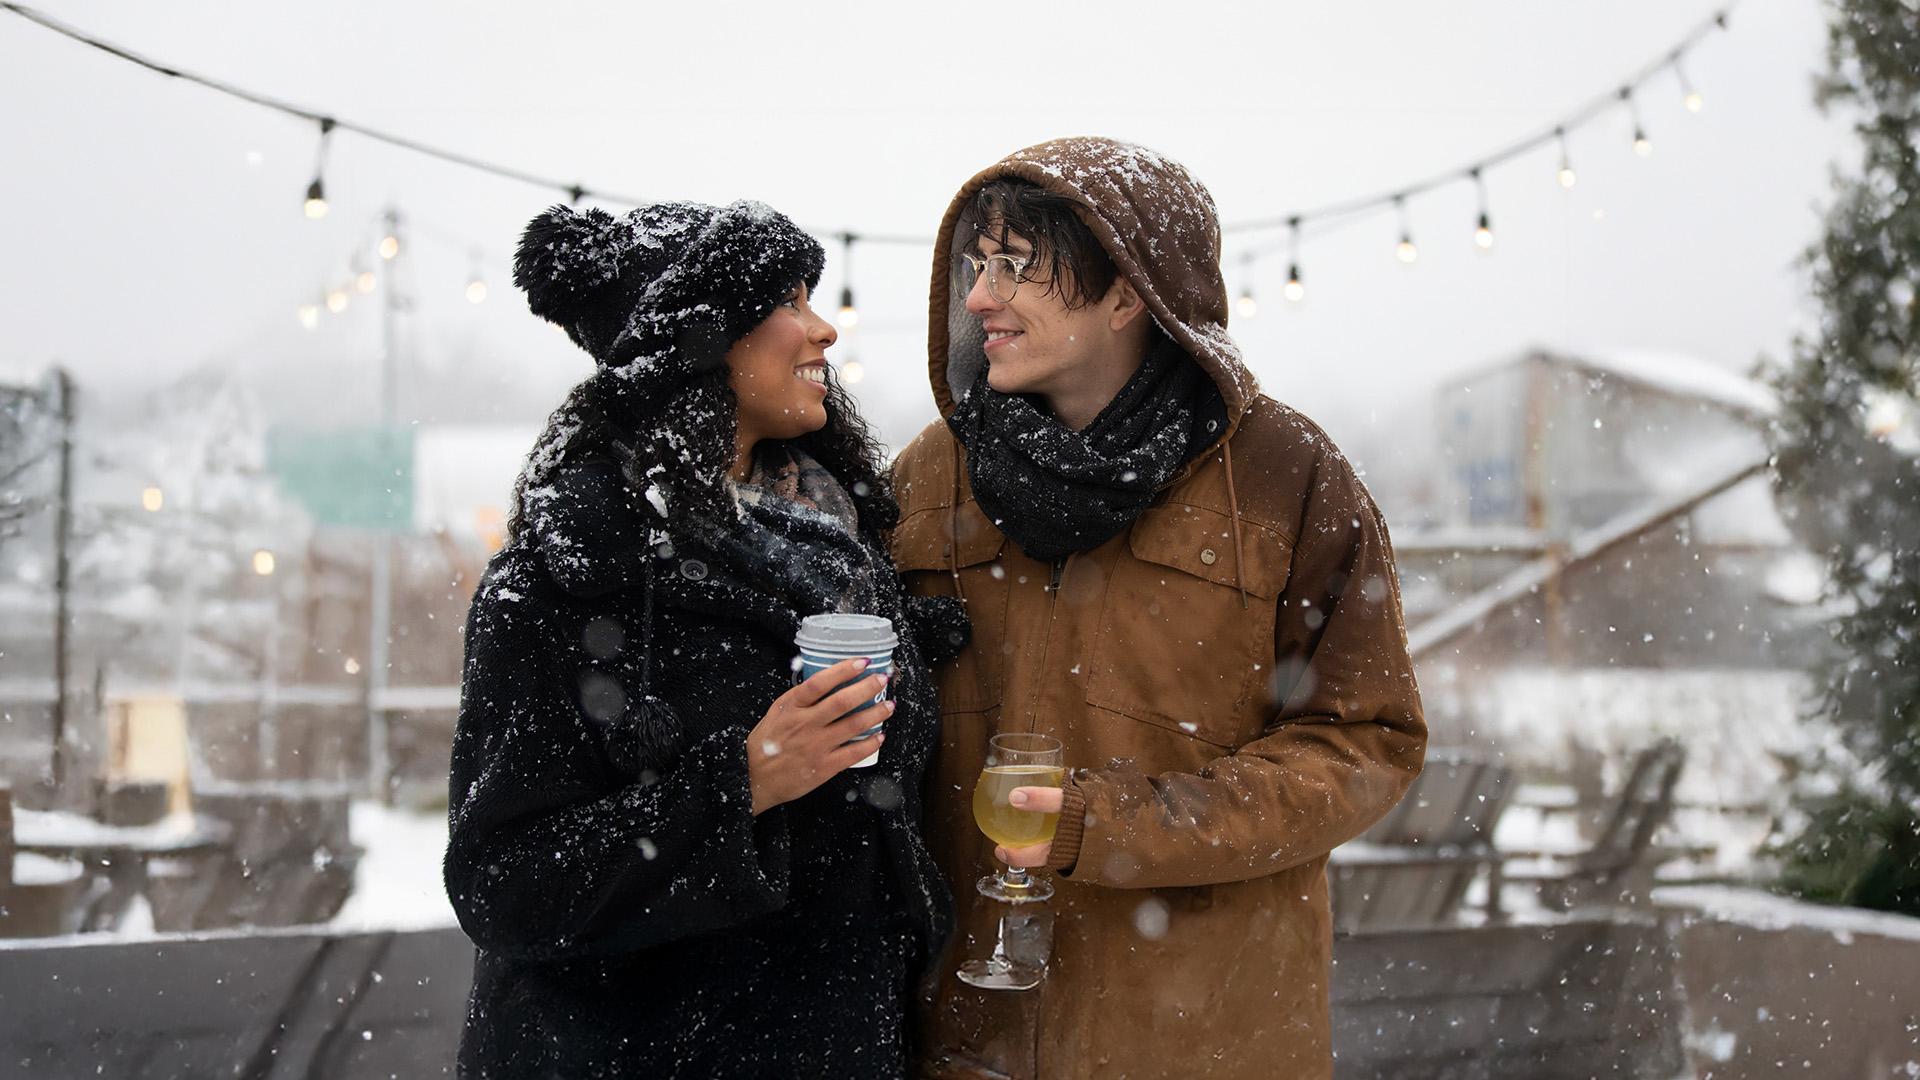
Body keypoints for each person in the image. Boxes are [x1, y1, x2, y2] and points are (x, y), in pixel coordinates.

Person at [888, 137, 1428, 1080]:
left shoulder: (1285, 477)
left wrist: (1112, 828)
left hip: (1200, 1034)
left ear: (1129, 290)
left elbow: (1366, 742)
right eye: (977, 265)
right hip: (965, 1037)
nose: (979, 298)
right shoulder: (933, 473)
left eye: (1013, 266)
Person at [444, 199, 964, 1078]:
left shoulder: (834, 535)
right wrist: (743, 781)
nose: (824, 330)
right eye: (790, 302)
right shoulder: (563, 580)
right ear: (699, 344)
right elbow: (503, 883)